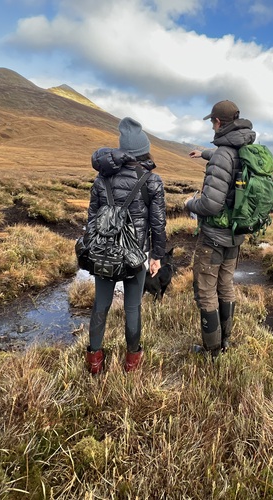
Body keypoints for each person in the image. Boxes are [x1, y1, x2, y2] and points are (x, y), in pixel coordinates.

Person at [85, 117, 167, 374]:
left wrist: (92, 250)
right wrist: (156, 256)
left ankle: (95, 361)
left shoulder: (102, 179)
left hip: (104, 253)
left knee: (101, 305)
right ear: (143, 150)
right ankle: (132, 361)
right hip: (135, 256)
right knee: (133, 306)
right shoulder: (152, 181)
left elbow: (92, 220)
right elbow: (158, 224)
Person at [185, 100, 256, 357]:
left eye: (212, 122)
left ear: (217, 122)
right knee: (226, 285)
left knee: (206, 291)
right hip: (236, 235)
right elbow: (225, 160)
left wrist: (190, 204)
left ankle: (212, 351)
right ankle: (225, 342)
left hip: (214, 236)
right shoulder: (244, 147)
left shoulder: (224, 154)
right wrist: (203, 153)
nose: (212, 126)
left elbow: (211, 204)